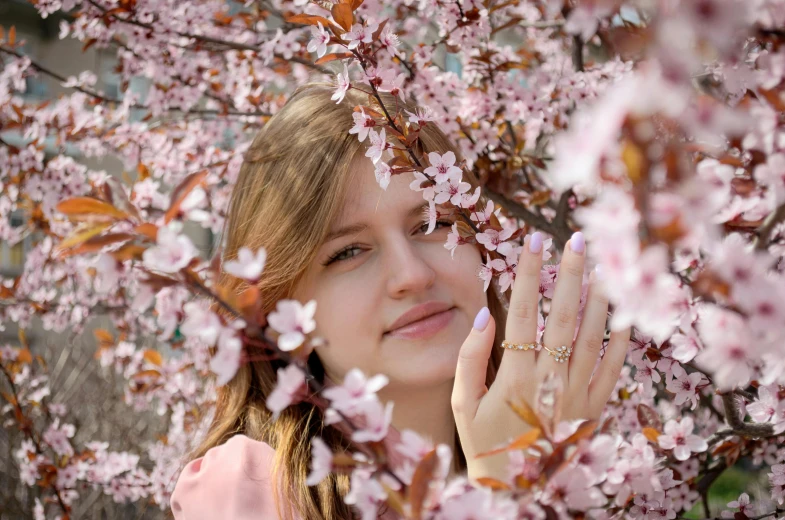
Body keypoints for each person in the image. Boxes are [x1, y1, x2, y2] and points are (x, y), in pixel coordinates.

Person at [169, 81, 631, 519]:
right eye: (348, 251)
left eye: (433, 224)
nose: (412, 274)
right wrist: (508, 494)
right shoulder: (252, 487)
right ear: (281, 314)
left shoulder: (592, 458)